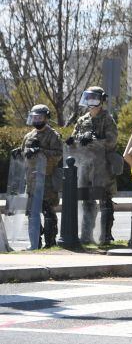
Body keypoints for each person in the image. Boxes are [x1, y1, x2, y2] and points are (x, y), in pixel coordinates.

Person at [71, 86, 120, 244]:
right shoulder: (82, 120)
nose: (91, 101)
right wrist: (76, 140)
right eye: (89, 98)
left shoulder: (107, 119)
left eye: (94, 98)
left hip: (102, 167)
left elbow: (111, 142)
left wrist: (93, 140)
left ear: (101, 100)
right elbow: (74, 141)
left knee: (105, 200)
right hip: (85, 166)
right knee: (87, 200)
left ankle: (105, 236)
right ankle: (86, 236)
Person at [20, 105, 62, 248]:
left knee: (48, 211)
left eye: (40, 117)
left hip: (47, 180)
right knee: (32, 213)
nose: (37, 120)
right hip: (31, 181)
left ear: (46, 118)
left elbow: (58, 155)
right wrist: (19, 153)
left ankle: (50, 243)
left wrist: (40, 150)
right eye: (34, 117)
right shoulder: (28, 136)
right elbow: (24, 154)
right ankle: (35, 243)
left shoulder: (53, 135)